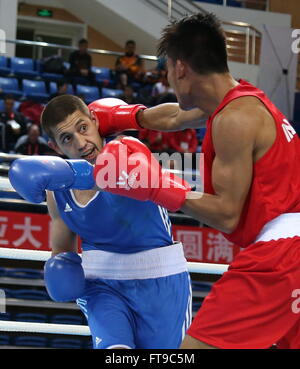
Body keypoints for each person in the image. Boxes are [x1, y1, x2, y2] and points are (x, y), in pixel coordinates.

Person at [78, 13, 300, 349]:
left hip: (282, 253)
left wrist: (155, 184)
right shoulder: (239, 99)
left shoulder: (234, 120)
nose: (167, 79)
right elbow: (175, 116)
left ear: (181, 68)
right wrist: (125, 116)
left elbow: (227, 214)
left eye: (168, 71)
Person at [8, 95, 206, 349]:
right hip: (101, 285)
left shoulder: (126, 148)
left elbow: (108, 172)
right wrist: (60, 268)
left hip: (160, 281)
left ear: (94, 120)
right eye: (67, 138)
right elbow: (62, 250)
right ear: (55, 147)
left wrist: (69, 173)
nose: (81, 143)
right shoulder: (55, 190)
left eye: (83, 128)